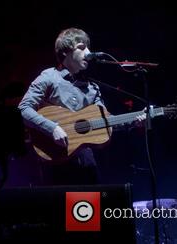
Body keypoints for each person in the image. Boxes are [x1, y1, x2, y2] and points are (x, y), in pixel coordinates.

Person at [18, 27, 145, 185]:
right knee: (58, 208)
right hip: (54, 159)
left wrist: (133, 120)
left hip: (86, 162)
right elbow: (23, 109)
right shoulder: (49, 77)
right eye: (82, 48)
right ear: (66, 52)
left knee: (88, 208)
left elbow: (105, 122)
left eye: (89, 48)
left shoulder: (92, 88)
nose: (88, 53)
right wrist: (52, 128)